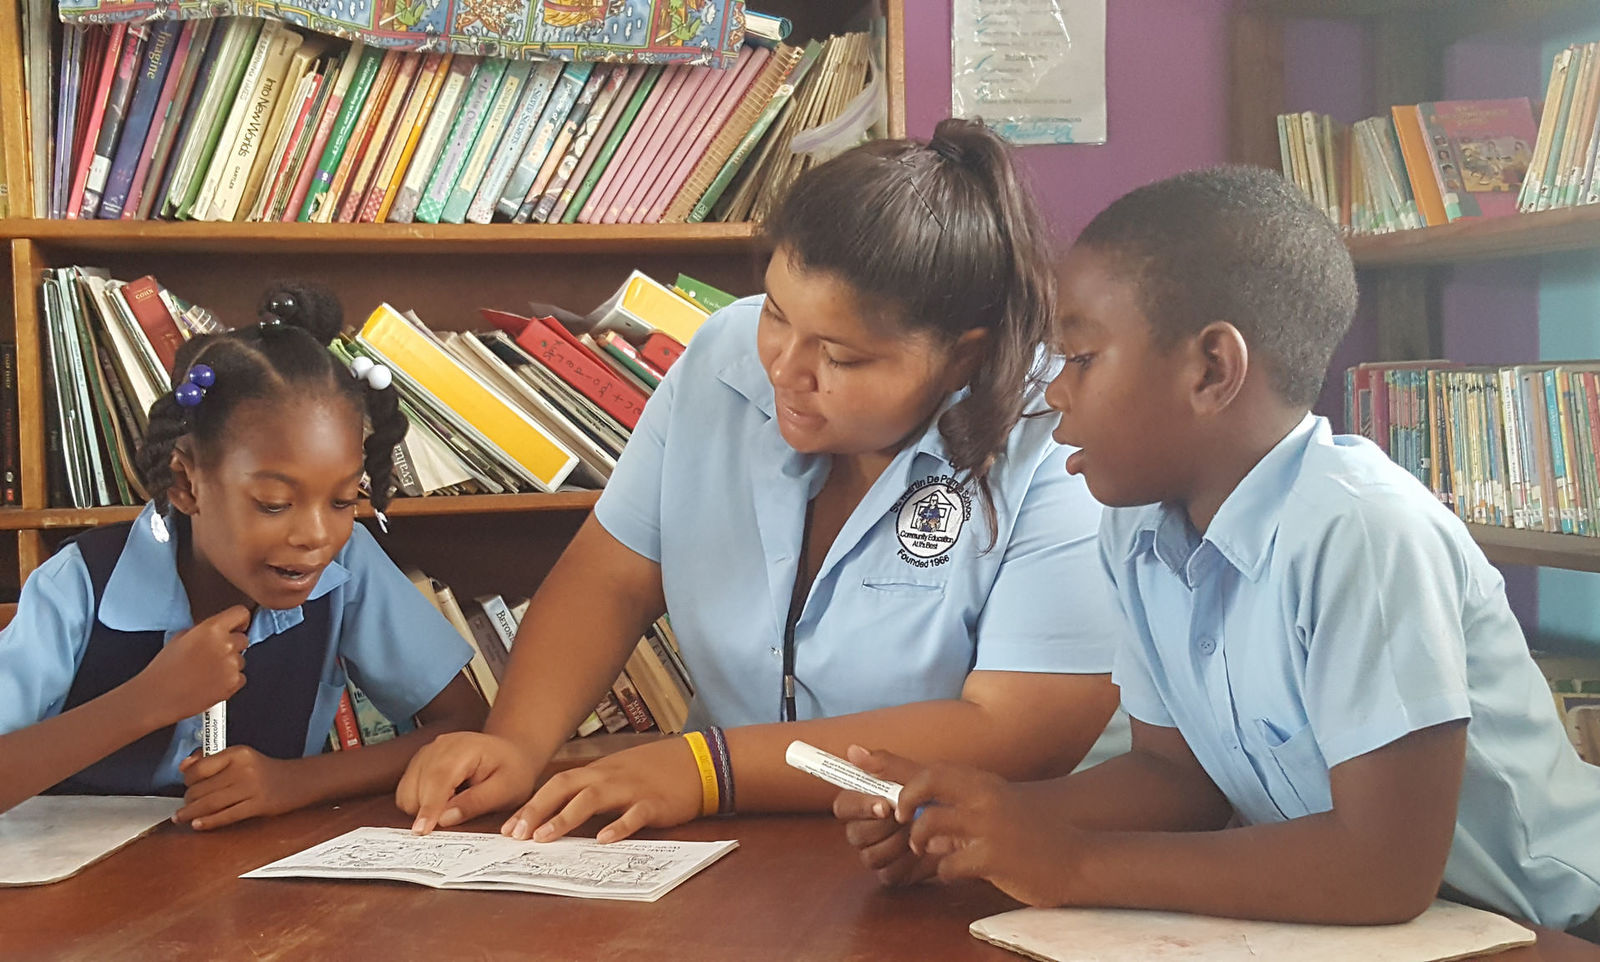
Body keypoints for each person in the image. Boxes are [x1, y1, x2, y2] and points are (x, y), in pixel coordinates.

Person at [838, 165, 1600, 935]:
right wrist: (977, 822)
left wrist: (1068, 863)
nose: (1055, 393)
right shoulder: (1136, 529)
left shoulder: (1361, 532)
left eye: (1081, 358)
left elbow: (1383, 869)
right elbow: (1178, 780)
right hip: (1377, 931)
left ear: (1211, 370)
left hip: (1550, 928)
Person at [398, 119, 1126, 878]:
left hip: (957, 867)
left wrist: (709, 769)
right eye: (777, 311)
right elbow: (612, 578)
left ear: (962, 354)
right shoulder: (723, 354)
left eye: (841, 355)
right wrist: (516, 742)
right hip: (732, 850)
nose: (784, 366)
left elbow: (1019, 730)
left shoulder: (1057, 433)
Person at [0, 283, 485, 829]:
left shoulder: (345, 566)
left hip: (254, 887)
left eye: (344, 500)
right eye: (274, 503)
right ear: (186, 485)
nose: (316, 535)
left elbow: (464, 726)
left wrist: (292, 783)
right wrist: (145, 703)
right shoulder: (81, 584)